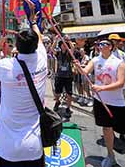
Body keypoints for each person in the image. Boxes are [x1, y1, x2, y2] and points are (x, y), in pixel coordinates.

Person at [0, 14, 47, 167]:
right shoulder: (42, 58)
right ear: (36, 45)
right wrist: (33, 21)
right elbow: (38, 37)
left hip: (7, 148)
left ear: (16, 47)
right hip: (34, 147)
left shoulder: (6, 65)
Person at [74, 39, 125, 167]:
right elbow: (85, 72)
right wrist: (79, 67)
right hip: (101, 101)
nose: (101, 46)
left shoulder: (119, 63)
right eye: (99, 44)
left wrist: (101, 88)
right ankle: (110, 155)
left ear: (111, 47)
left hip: (117, 103)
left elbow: (120, 83)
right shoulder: (96, 60)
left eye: (104, 44)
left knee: (121, 130)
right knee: (107, 129)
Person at [53, 36, 74, 119]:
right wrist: (55, 40)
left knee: (69, 93)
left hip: (68, 76)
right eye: (62, 45)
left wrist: (68, 41)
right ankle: (57, 102)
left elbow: (72, 48)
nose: (64, 46)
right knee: (57, 92)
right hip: (59, 75)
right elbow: (52, 49)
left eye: (65, 45)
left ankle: (68, 108)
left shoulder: (69, 53)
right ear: (60, 46)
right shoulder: (58, 53)